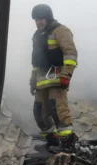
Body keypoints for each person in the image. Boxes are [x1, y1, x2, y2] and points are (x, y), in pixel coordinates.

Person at [29, 4, 78, 151]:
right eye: (36, 20)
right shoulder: (37, 36)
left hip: (58, 78)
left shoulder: (61, 31)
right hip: (41, 81)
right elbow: (36, 62)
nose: (38, 22)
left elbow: (70, 53)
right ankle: (52, 141)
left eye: (41, 19)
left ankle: (68, 143)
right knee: (39, 112)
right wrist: (33, 82)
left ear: (48, 18)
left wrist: (66, 74)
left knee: (57, 109)